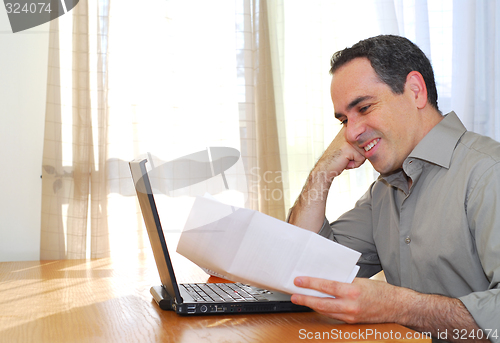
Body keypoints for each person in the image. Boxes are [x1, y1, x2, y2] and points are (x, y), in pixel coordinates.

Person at [288, 35, 499, 343]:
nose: (352, 132)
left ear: (415, 91)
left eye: (364, 107)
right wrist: (322, 171)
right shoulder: (384, 191)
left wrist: (403, 308)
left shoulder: (488, 172)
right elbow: (306, 271)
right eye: (344, 120)